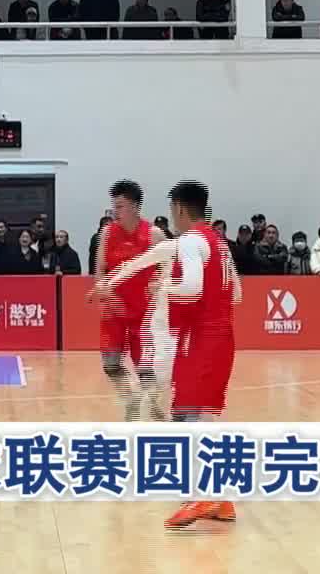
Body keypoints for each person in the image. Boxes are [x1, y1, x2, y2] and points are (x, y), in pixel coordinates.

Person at [108, 180, 240, 529]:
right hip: (223, 337)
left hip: (201, 339)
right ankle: (221, 497)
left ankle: (201, 495)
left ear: (179, 209)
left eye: (172, 210)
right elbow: (236, 294)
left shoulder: (192, 242)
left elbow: (192, 289)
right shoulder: (220, 243)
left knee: (188, 415)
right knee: (202, 415)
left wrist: (163, 288)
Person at [87, 180, 160, 421]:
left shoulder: (154, 234)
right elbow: (99, 270)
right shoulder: (107, 233)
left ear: (135, 207)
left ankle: (154, 405)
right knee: (110, 364)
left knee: (145, 369)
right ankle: (131, 399)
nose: (115, 211)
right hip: (114, 307)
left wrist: (159, 283)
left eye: (120, 206)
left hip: (144, 311)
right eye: (114, 206)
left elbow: (170, 268)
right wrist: (104, 290)